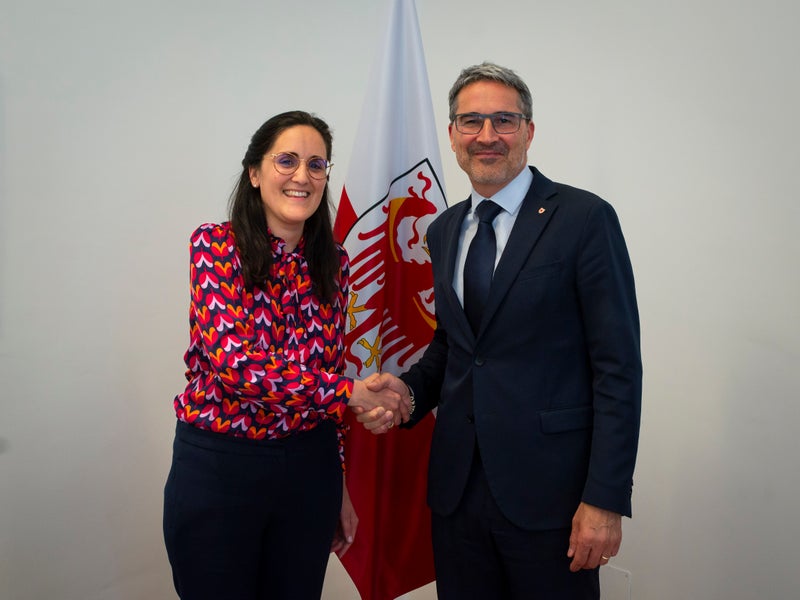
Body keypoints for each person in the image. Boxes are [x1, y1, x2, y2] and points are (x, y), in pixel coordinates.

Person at [361, 63, 642, 599]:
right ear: (452, 135)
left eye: (504, 120)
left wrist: (604, 498)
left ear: (528, 131)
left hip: (552, 499)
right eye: (471, 121)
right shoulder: (444, 229)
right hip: (457, 495)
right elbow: (455, 345)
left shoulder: (584, 219)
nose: (486, 135)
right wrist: (407, 393)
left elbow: (618, 368)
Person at [163, 110, 410, 600]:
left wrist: (339, 483)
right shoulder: (215, 246)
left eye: (317, 165)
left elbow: (330, 372)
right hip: (222, 469)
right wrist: (351, 393)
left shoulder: (334, 263)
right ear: (255, 173)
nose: (303, 176)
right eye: (287, 160)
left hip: (310, 471)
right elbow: (238, 367)